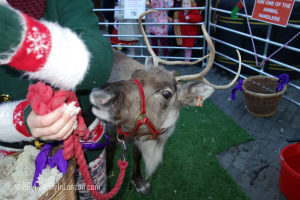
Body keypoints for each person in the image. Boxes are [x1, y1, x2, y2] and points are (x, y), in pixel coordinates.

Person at [0, 0, 112, 198]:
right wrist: (17, 119)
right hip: (13, 162)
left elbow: (99, 62)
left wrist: (14, 35)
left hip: (83, 146)